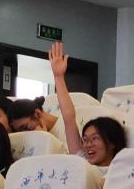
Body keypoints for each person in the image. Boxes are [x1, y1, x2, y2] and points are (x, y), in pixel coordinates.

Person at [49, 42, 126, 171]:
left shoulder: (121, 171)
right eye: (85, 140)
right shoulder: (82, 162)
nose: (88, 145)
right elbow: (69, 119)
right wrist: (58, 77)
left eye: (95, 138)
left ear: (112, 142)